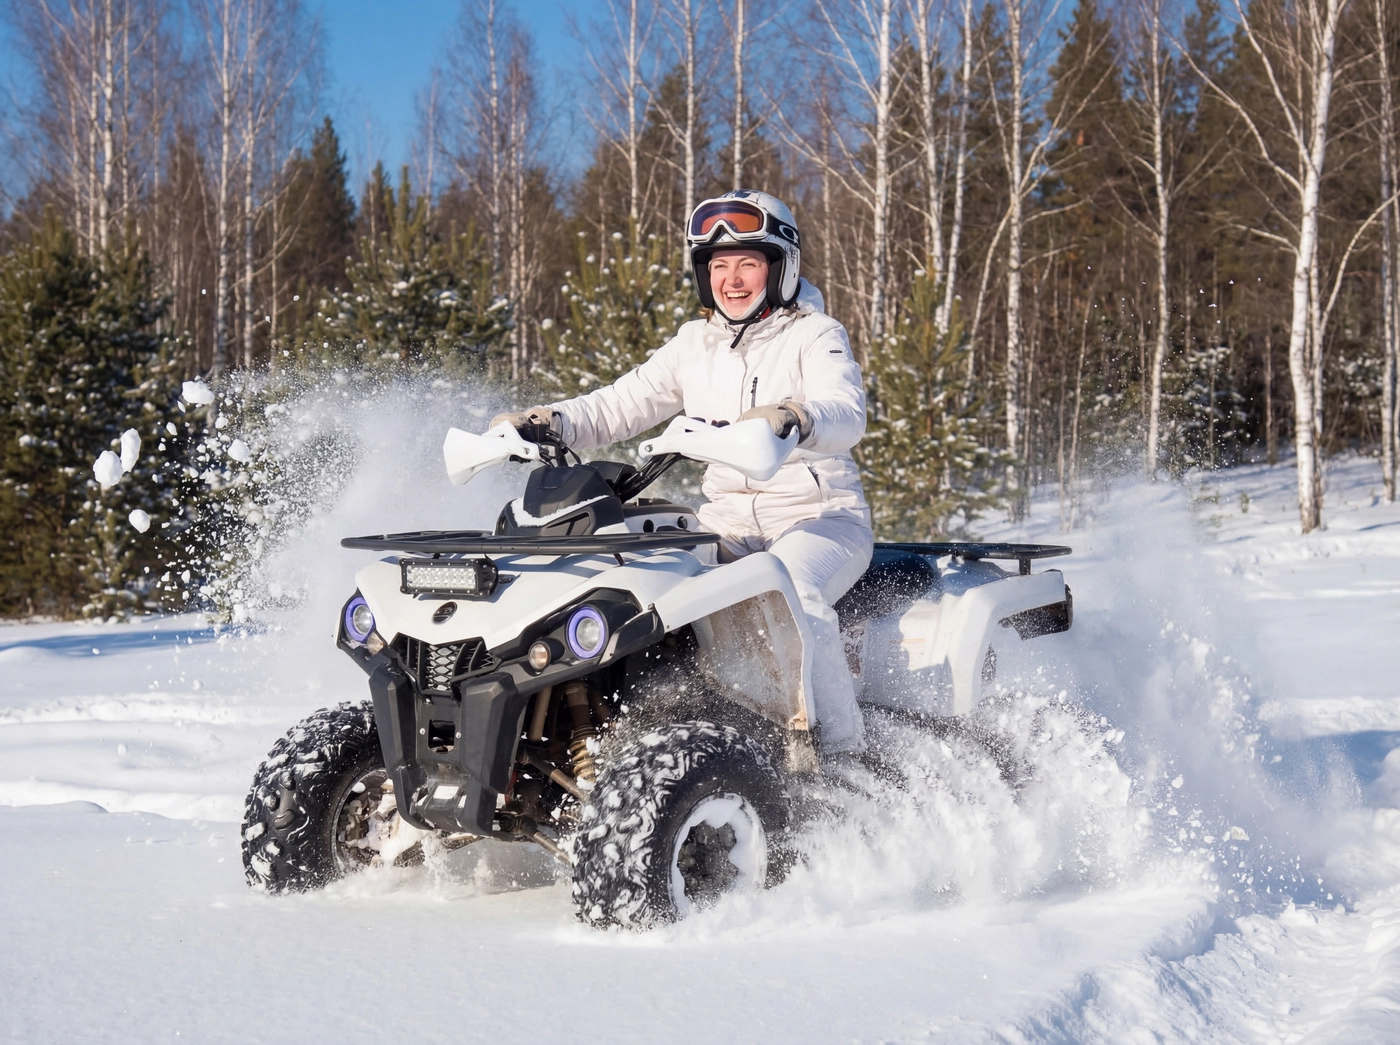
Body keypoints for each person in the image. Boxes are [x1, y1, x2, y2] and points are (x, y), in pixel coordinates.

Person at [490, 190, 872, 754]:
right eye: (719, 266)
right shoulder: (696, 344)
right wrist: (550, 422)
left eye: (748, 263)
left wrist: (796, 416)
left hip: (820, 520)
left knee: (792, 593)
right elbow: (621, 403)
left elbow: (847, 411)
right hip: (725, 528)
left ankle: (838, 752)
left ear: (781, 268)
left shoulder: (814, 335)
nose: (733, 280)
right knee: (640, 588)